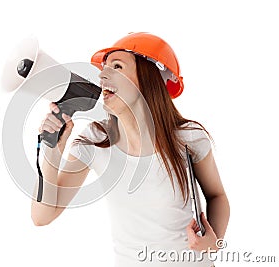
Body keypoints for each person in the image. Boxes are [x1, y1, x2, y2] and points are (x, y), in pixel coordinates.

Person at [31, 32, 230, 266]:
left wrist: (214, 244)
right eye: (104, 67)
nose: (103, 75)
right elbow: (42, 216)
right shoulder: (95, 141)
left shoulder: (188, 137)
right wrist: (54, 149)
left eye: (117, 67)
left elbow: (217, 197)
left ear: (148, 79)